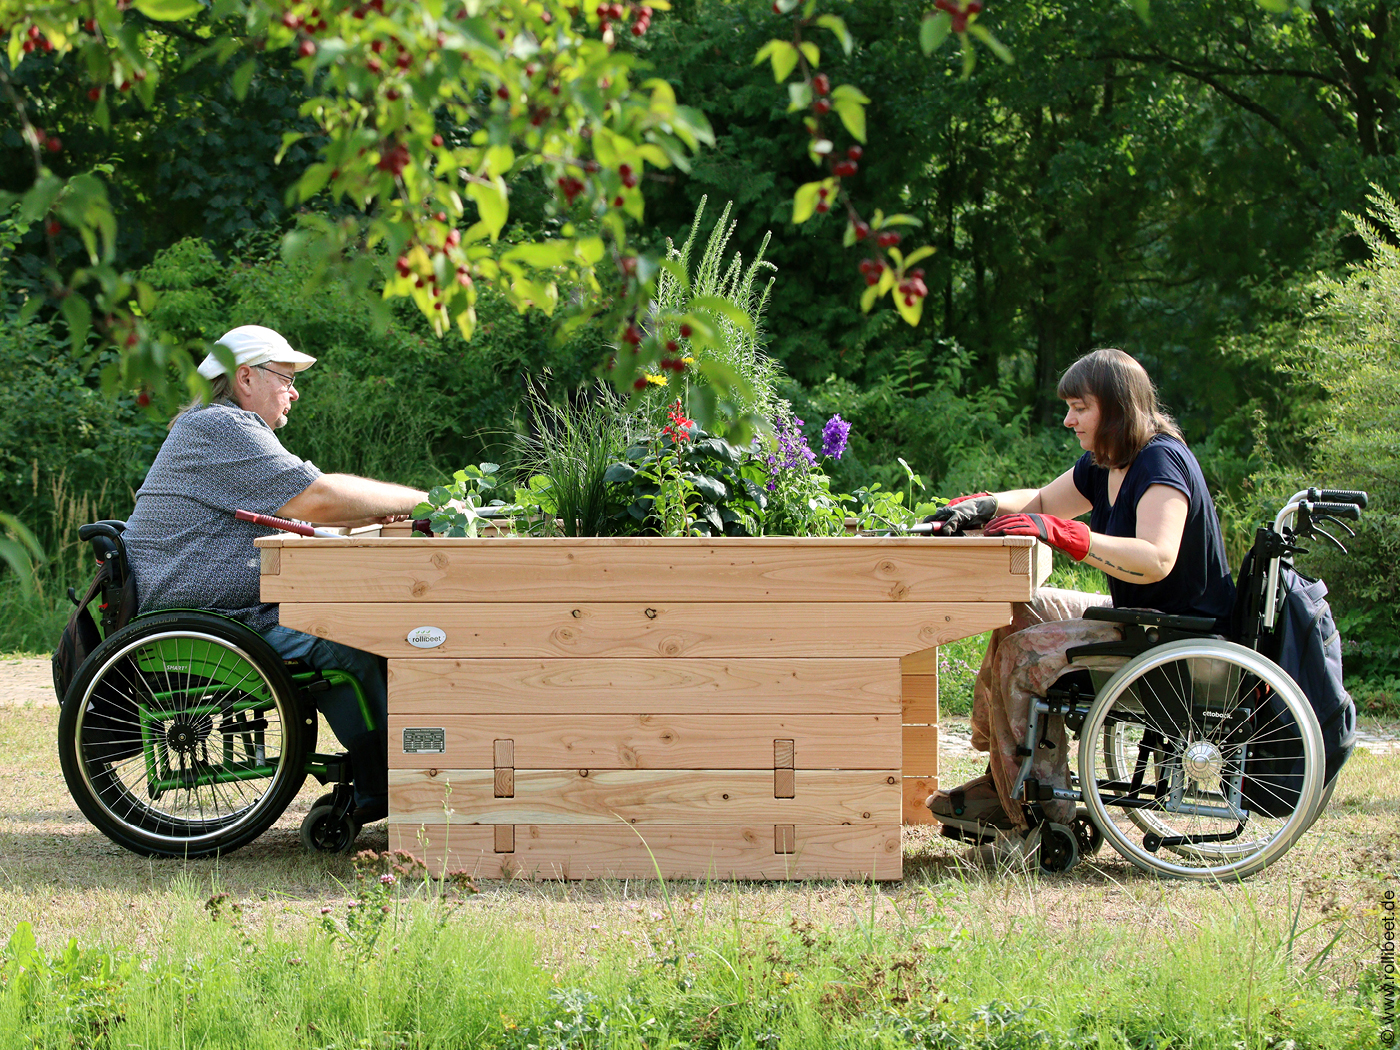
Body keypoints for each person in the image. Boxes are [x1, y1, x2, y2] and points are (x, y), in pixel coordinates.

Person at [122, 325, 436, 828]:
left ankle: (391, 769)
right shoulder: (220, 427)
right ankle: (387, 786)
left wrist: (373, 516)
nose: (295, 390)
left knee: (355, 625)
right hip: (206, 616)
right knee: (343, 641)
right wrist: (426, 504)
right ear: (245, 377)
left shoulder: (217, 427)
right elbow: (318, 498)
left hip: (210, 607)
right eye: (285, 378)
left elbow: (309, 510)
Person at [923, 348, 1236, 852]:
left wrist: (1069, 537)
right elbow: (1044, 502)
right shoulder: (1107, 463)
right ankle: (1002, 780)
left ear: (1117, 407)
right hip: (1140, 622)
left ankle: (1044, 818)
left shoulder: (1161, 462)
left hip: (1173, 633)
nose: (1068, 419)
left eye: (1079, 407)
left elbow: (1156, 558)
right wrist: (980, 507)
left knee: (1022, 655)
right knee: (1018, 610)